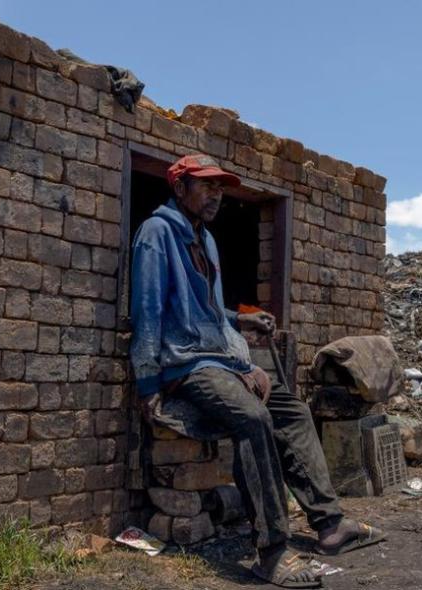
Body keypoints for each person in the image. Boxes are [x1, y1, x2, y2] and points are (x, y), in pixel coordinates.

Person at [129, 154, 384, 588]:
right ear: (179, 187)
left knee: (294, 411)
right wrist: (149, 383)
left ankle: (329, 525)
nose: (216, 194)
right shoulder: (156, 233)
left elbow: (207, 310)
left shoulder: (205, 240)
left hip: (218, 360)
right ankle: (271, 551)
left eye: (220, 187)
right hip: (185, 365)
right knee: (253, 418)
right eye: (206, 185)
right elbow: (148, 310)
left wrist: (239, 324)